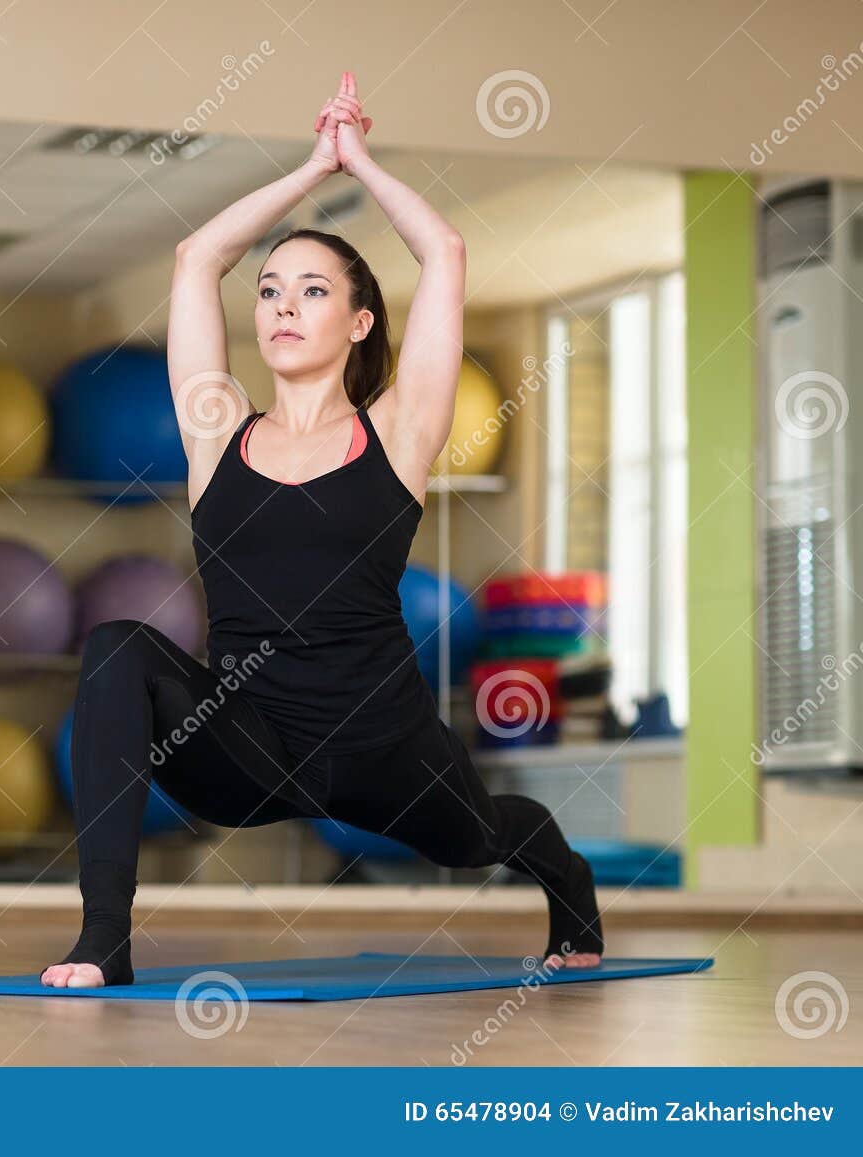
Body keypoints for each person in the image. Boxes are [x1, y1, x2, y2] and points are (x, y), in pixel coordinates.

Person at [41, 72, 604, 989]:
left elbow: (446, 251)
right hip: (249, 745)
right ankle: (104, 938)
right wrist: (308, 167)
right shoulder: (215, 429)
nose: (283, 309)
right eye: (268, 293)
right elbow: (194, 259)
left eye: (311, 292)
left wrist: (361, 164)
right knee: (116, 646)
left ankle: (567, 880)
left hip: (380, 743)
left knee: (479, 839)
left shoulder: (397, 431)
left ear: (359, 321)